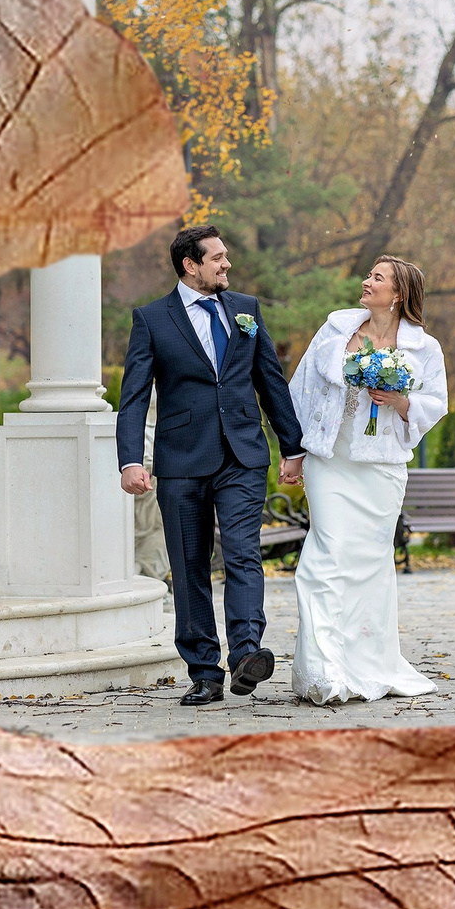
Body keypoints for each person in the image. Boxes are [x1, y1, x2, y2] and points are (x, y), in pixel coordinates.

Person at [117, 226, 308, 706]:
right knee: (189, 566)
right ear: (190, 265)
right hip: (181, 460)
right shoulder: (152, 319)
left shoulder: (246, 309)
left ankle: (245, 653)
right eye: (218, 257)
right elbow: (134, 394)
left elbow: (270, 379)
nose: (227, 264)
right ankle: (204, 672)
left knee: (243, 553)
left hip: (243, 454)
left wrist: (293, 446)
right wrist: (130, 461)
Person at [280, 256, 447, 702]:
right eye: (369, 275)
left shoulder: (425, 348)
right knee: (326, 555)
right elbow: (302, 389)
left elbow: (436, 402)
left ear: (399, 294)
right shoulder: (336, 329)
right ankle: (322, 669)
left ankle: (367, 662)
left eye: (377, 277)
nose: (366, 281)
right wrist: (293, 451)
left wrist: (401, 402)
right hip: (329, 460)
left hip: (381, 467)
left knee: (369, 565)